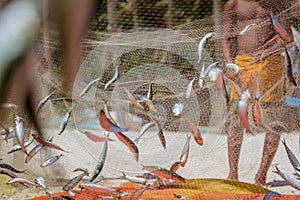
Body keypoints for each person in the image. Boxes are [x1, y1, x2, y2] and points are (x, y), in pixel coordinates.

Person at [222, 0, 292, 186]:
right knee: (237, 119)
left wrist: (267, 51)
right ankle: (233, 174)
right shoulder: (234, 4)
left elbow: (288, 38)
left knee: (273, 120)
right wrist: (229, 65)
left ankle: (262, 174)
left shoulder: (276, 4)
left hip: (271, 64)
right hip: (243, 64)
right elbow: (225, 38)